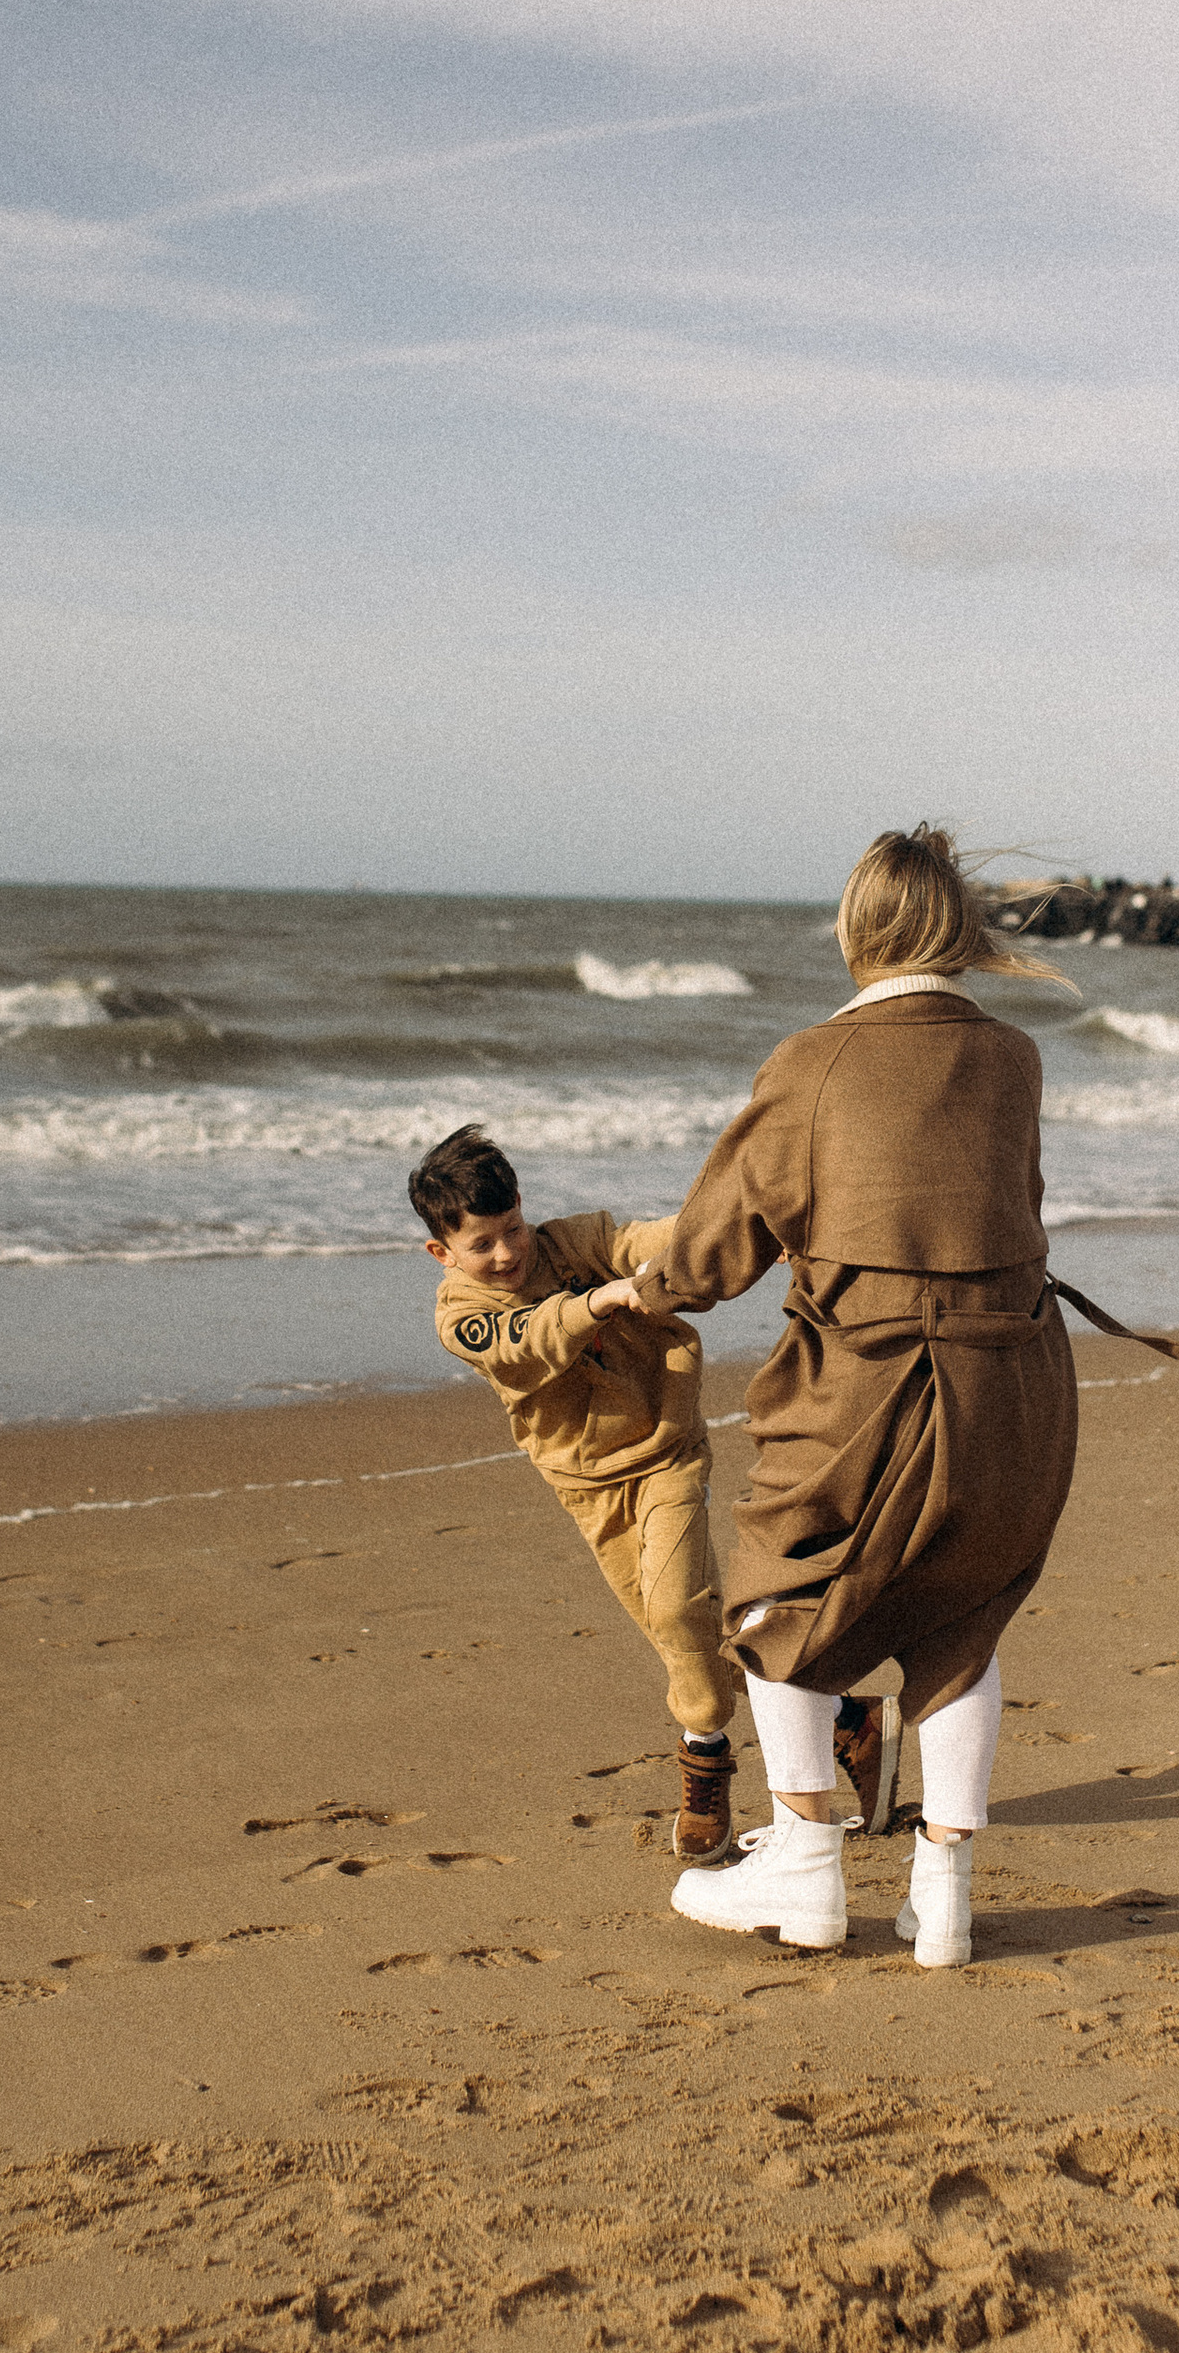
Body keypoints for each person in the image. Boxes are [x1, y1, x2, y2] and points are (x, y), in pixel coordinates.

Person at [609, 825, 1082, 1971]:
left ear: (855, 927)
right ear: (960, 930)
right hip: (1016, 1378)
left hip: (870, 1379)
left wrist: (633, 1288)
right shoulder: (1013, 1057)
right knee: (961, 1619)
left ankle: (809, 1869)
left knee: (778, 1596)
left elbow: (718, 1251)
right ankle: (945, 1897)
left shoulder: (809, 1062)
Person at [409, 1127, 899, 1863]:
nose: (506, 1253)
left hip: (665, 1453)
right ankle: (846, 1720)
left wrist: (762, 1231)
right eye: (483, 1245)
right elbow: (526, 1341)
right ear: (442, 1254)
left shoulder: (574, 1243)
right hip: (584, 1487)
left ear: (524, 1211)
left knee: (677, 1611)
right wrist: (600, 1302)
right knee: (684, 1639)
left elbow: (657, 1239)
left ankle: (705, 1760)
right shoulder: (462, 1315)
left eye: (512, 1229)